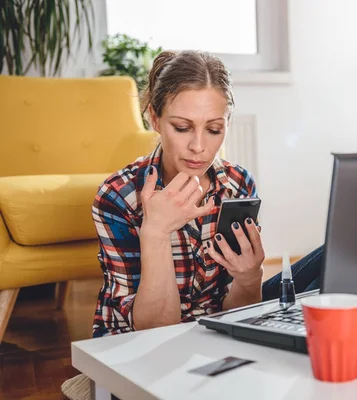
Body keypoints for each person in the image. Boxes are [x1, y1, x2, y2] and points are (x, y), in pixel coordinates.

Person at [92, 50, 322, 337]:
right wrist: (156, 233)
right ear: (154, 118)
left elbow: (236, 312)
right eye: (182, 127)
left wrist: (249, 278)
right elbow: (153, 329)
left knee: (335, 260)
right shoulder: (118, 195)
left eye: (214, 129)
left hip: (216, 328)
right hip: (138, 342)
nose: (198, 147)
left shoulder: (237, 184)